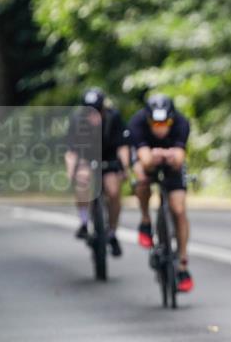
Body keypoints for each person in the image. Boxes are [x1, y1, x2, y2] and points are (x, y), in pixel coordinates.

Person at [128, 93, 193, 292]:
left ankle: (182, 263)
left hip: (172, 168)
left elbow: (178, 158)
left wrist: (162, 155)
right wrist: (159, 155)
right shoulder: (137, 123)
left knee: (178, 209)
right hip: (147, 164)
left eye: (165, 123)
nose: (160, 129)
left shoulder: (182, 123)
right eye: (155, 124)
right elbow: (145, 160)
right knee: (141, 179)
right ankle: (146, 220)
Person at [64, 87, 131, 256]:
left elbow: (122, 145)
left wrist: (125, 168)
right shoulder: (77, 119)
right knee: (82, 180)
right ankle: (84, 221)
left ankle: (112, 232)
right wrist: (71, 171)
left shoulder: (113, 117)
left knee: (114, 192)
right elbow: (71, 150)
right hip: (86, 156)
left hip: (109, 157)